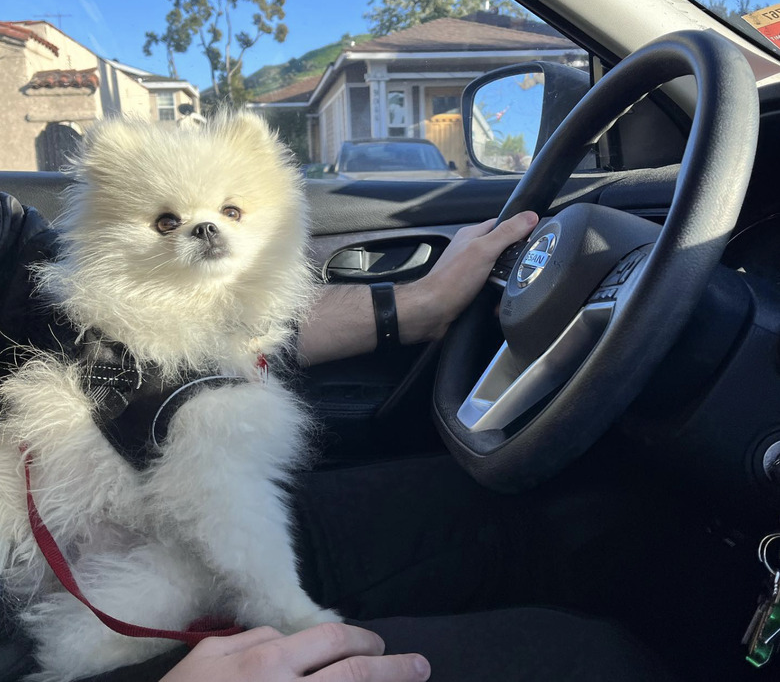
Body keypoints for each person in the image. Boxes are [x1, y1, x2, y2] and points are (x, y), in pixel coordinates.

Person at [0, 199, 678, 682]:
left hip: (130, 532)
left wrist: (417, 304)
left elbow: (58, 303)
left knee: (524, 511)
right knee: (587, 662)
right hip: (79, 645)